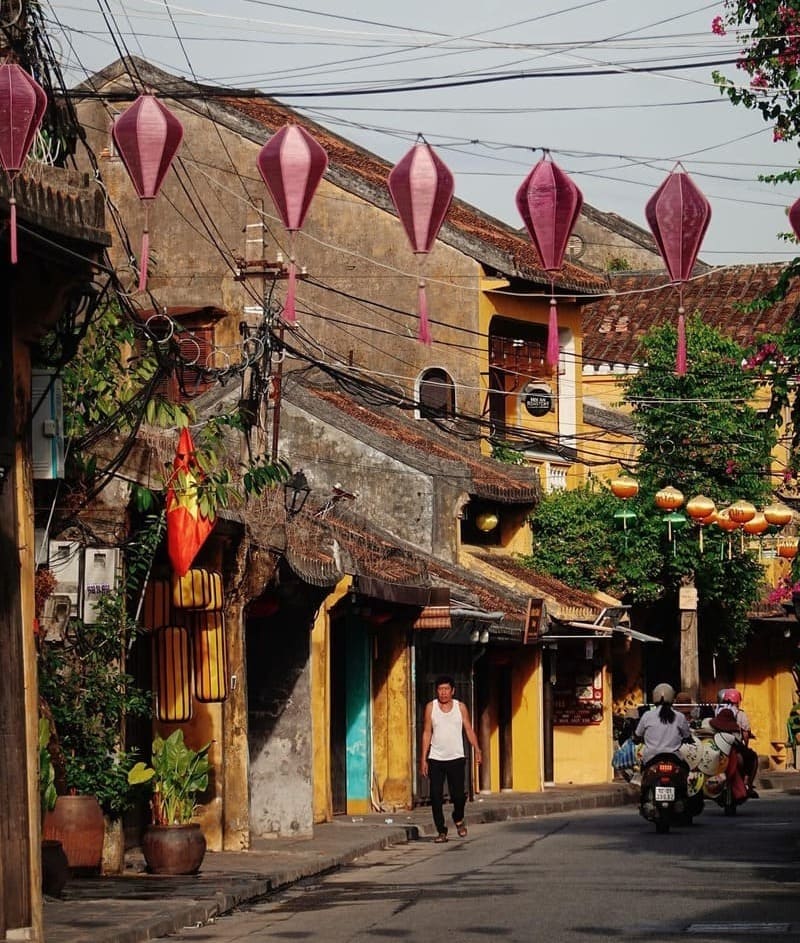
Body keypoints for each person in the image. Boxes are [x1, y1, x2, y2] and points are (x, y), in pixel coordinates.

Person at [420, 675, 482, 843]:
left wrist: (477, 749)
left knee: (458, 796)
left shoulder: (460, 707)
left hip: (456, 757)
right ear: (437, 691)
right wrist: (423, 758)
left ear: (453, 691)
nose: (443, 693)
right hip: (436, 759)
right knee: (435, 796)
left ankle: (458, 817)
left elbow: (468, 729)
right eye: (440, 689)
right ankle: (441, 831)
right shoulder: (430, 707)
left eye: (447, 689)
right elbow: (427, 732)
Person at [634, 683, 691, 765]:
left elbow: (637, 735)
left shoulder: (647, 715)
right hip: (674, 759)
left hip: (650, 759)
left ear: (654, 696)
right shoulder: (680, 717)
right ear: (672, 698)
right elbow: (687, 736)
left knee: (642, 773)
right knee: (686, 769)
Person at [716, 689, 759, 797]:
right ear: (737, 701)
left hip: (718, 744)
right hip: (734, 745)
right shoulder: (740, 714)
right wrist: (745, 745)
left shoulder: (717, 711)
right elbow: (745, 733)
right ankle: (748, 784)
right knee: (753, 757)